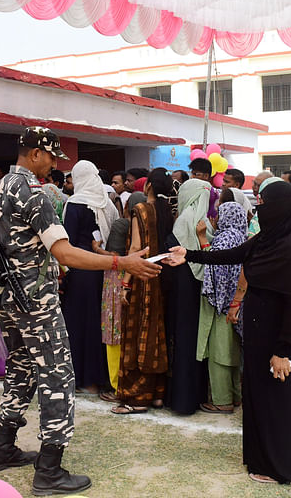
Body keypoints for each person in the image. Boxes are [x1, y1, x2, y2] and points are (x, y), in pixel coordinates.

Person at [0, 126, 160, 494]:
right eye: (50, 156)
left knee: (21, 369)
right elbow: (63, 252)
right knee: (58, 378)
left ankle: (2, 447)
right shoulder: (32, 193)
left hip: (9, 299)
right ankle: (49, 471)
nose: (53, 165)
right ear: (34, 153)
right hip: (37, 303)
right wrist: (119, 262)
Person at [167, 180, 291, 485]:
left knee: (276, 400)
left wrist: (283, 351)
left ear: (280, 208)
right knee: (257, 395)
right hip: (257, 330)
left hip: (275, 337)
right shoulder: (267, 239)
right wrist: (189, 255)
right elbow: (232, 255)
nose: (258, 207)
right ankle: (260, 458)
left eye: (263, 202)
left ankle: (281, 467)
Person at [110, 170, 174, 414]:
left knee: (136, 334)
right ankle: (156, 394)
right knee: (155, 334)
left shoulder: (141, 210)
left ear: (147, 186)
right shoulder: (168, 211)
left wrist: (125, 282)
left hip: (142, 276)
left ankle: (135, 399)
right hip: (162, 278)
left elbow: (136, 247)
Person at [62, 160, 120, 394]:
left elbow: (68, 242)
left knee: (78, 324)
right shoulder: (107, 203)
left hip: (80, 270)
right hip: (103, 268)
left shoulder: (75, 203)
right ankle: (99, 379)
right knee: (99, 323)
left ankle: (80, 378)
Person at [163, 178, 213, 414]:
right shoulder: (205, 223)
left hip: (182, 292)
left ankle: (182, 401)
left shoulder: (184, 220)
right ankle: (196, 396)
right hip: (199, 291)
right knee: (196, 341)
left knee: (183, 341)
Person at [196, 202, 247, 413]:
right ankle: (235, 396)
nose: (215, 218)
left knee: (220, 353)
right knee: (232, 352)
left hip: (223, 303)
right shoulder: (239, 235)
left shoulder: (226, 237)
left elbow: (215, 266)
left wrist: (201, 239)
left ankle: (222, 400)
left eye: (218, 214)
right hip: (234, 302)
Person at [98, 191, 145, 396]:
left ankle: (117, 384)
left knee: (113, 329)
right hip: (141, 278)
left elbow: (114, 256)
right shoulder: (150, 225)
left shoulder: (121, 225)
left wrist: (96, 250)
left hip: (117, 280)